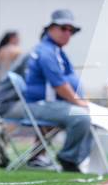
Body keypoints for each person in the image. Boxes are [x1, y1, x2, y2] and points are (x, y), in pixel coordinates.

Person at [24, 9, 92, 172]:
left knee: (89, 115)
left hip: (49, 104)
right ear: (51, 28)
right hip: (39, 105)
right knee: (81, 117)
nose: (68, 33)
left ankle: (80, 159)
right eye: (63, 28)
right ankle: (69, 158)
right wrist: (79, 102)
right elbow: (59, 85)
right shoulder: (47, 52)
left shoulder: (56, 51)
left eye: (71, 30)